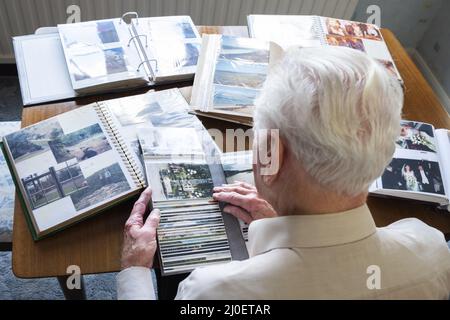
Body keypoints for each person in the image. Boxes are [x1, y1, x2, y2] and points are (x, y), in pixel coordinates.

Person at [117, 46, 450, 299]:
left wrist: (134, 271)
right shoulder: (431, 249)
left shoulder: (212, 292)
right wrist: (282, 220)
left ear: (270, 156)